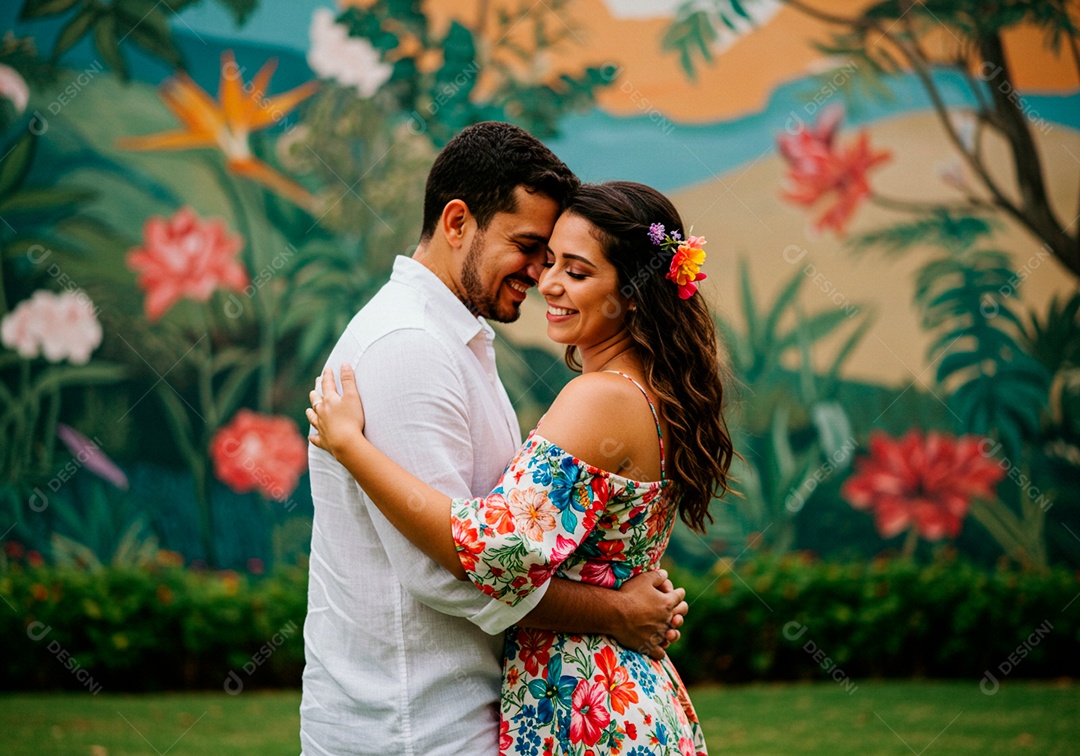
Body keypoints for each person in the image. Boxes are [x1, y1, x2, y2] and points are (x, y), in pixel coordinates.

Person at [300, 124, 690, 756]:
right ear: (458, 222)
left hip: (480, 714)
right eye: (532, 248)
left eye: (567, 264)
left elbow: (505, 544)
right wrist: (616, 611)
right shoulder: (410, 347)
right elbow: (450, 573)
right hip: (411, 725)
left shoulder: (466, 344)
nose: (542, 276)